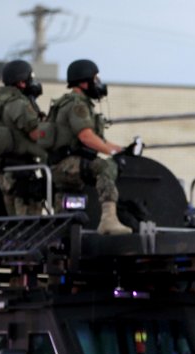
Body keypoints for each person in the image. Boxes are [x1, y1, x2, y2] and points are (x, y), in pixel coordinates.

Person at [46, 58, 133, 235]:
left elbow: (99, 140)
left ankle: (62, 234)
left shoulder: (75, 103)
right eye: (95, 79)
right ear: (84, 82)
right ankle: (109, 220)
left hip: (65, 164)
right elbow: (86, 136)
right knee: (105, 166)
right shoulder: (77, 105)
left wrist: (123, 150)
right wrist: (111, 154)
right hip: (65, 164)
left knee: (65, 223)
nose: (98, 83)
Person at [0, 59, 48, 216]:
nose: (33, 82)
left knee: (10, 224)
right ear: (21, 82)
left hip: (3, 174)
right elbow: (36, 133)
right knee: (30, 224)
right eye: (30, 78)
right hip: (22, 175)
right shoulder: (19, 103)